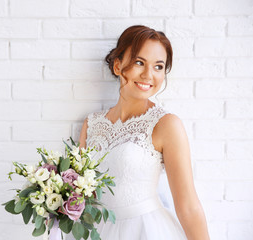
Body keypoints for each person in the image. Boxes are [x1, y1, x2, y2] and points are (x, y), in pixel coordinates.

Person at [76, 25, 210, 239]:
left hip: (147, 230)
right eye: (139, 62)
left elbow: (188, 206)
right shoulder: (91, 123)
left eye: (158, 67)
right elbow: (81, 195)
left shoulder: (166, 125)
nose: (149, 75)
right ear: (118, 66)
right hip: (97, 231)